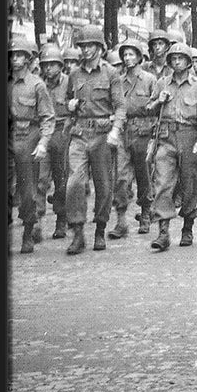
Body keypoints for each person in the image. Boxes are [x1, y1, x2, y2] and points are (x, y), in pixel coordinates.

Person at [63, 23, 126, 254]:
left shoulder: (111, 73)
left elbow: (120, 107)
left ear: (100, 47)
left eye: (90, 45)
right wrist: (69, 105)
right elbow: (68, 101)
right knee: (74, 183)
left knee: (104, 186)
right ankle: (77, 232)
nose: (86, 50)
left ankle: (100, 228)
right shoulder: (74, 74)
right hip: (79, 134)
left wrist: (115, 131)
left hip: (102, 135)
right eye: (82, 46)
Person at [148, 42, 197, 250]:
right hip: (166, 137)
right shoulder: (162, 83)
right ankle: (163, 231)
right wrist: (159, 101)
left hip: (189, 136)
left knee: (190, 183)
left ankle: (188, 225)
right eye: (173, 58)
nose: (176, 62)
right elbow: (148, 109)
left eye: (181, 59)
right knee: (163, 182)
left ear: (188, 62)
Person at [110, 35, 160, 239]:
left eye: (132, 54)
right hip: (123, 132)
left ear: (140, 57)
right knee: (121, 177)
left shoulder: (149, 79)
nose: (128, 58)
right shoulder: (118, 81)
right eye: (125, 54)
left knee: (144, 176)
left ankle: (146, 213)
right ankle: (121, 220)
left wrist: (154, 136)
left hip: (144, 132)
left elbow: (158, 108)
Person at [8, 36, 55, 255]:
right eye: (12, 55)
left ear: (28, 58)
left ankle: (28, 231)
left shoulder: (37, 85)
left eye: (19, 55)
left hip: (28, 137)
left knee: (27, 190)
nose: (15, 59)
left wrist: (43, 143)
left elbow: (47, 117)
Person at [36, 41, 71, 239]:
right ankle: (37, 221)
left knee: (62, 179)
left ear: (60, 65)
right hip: (43, 134)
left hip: (62, 132)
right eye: (45, 64)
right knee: (40, 179)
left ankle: (61, 219)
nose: (48, 68)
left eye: (52, 64)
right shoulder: (39, 84)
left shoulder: (69, 82)